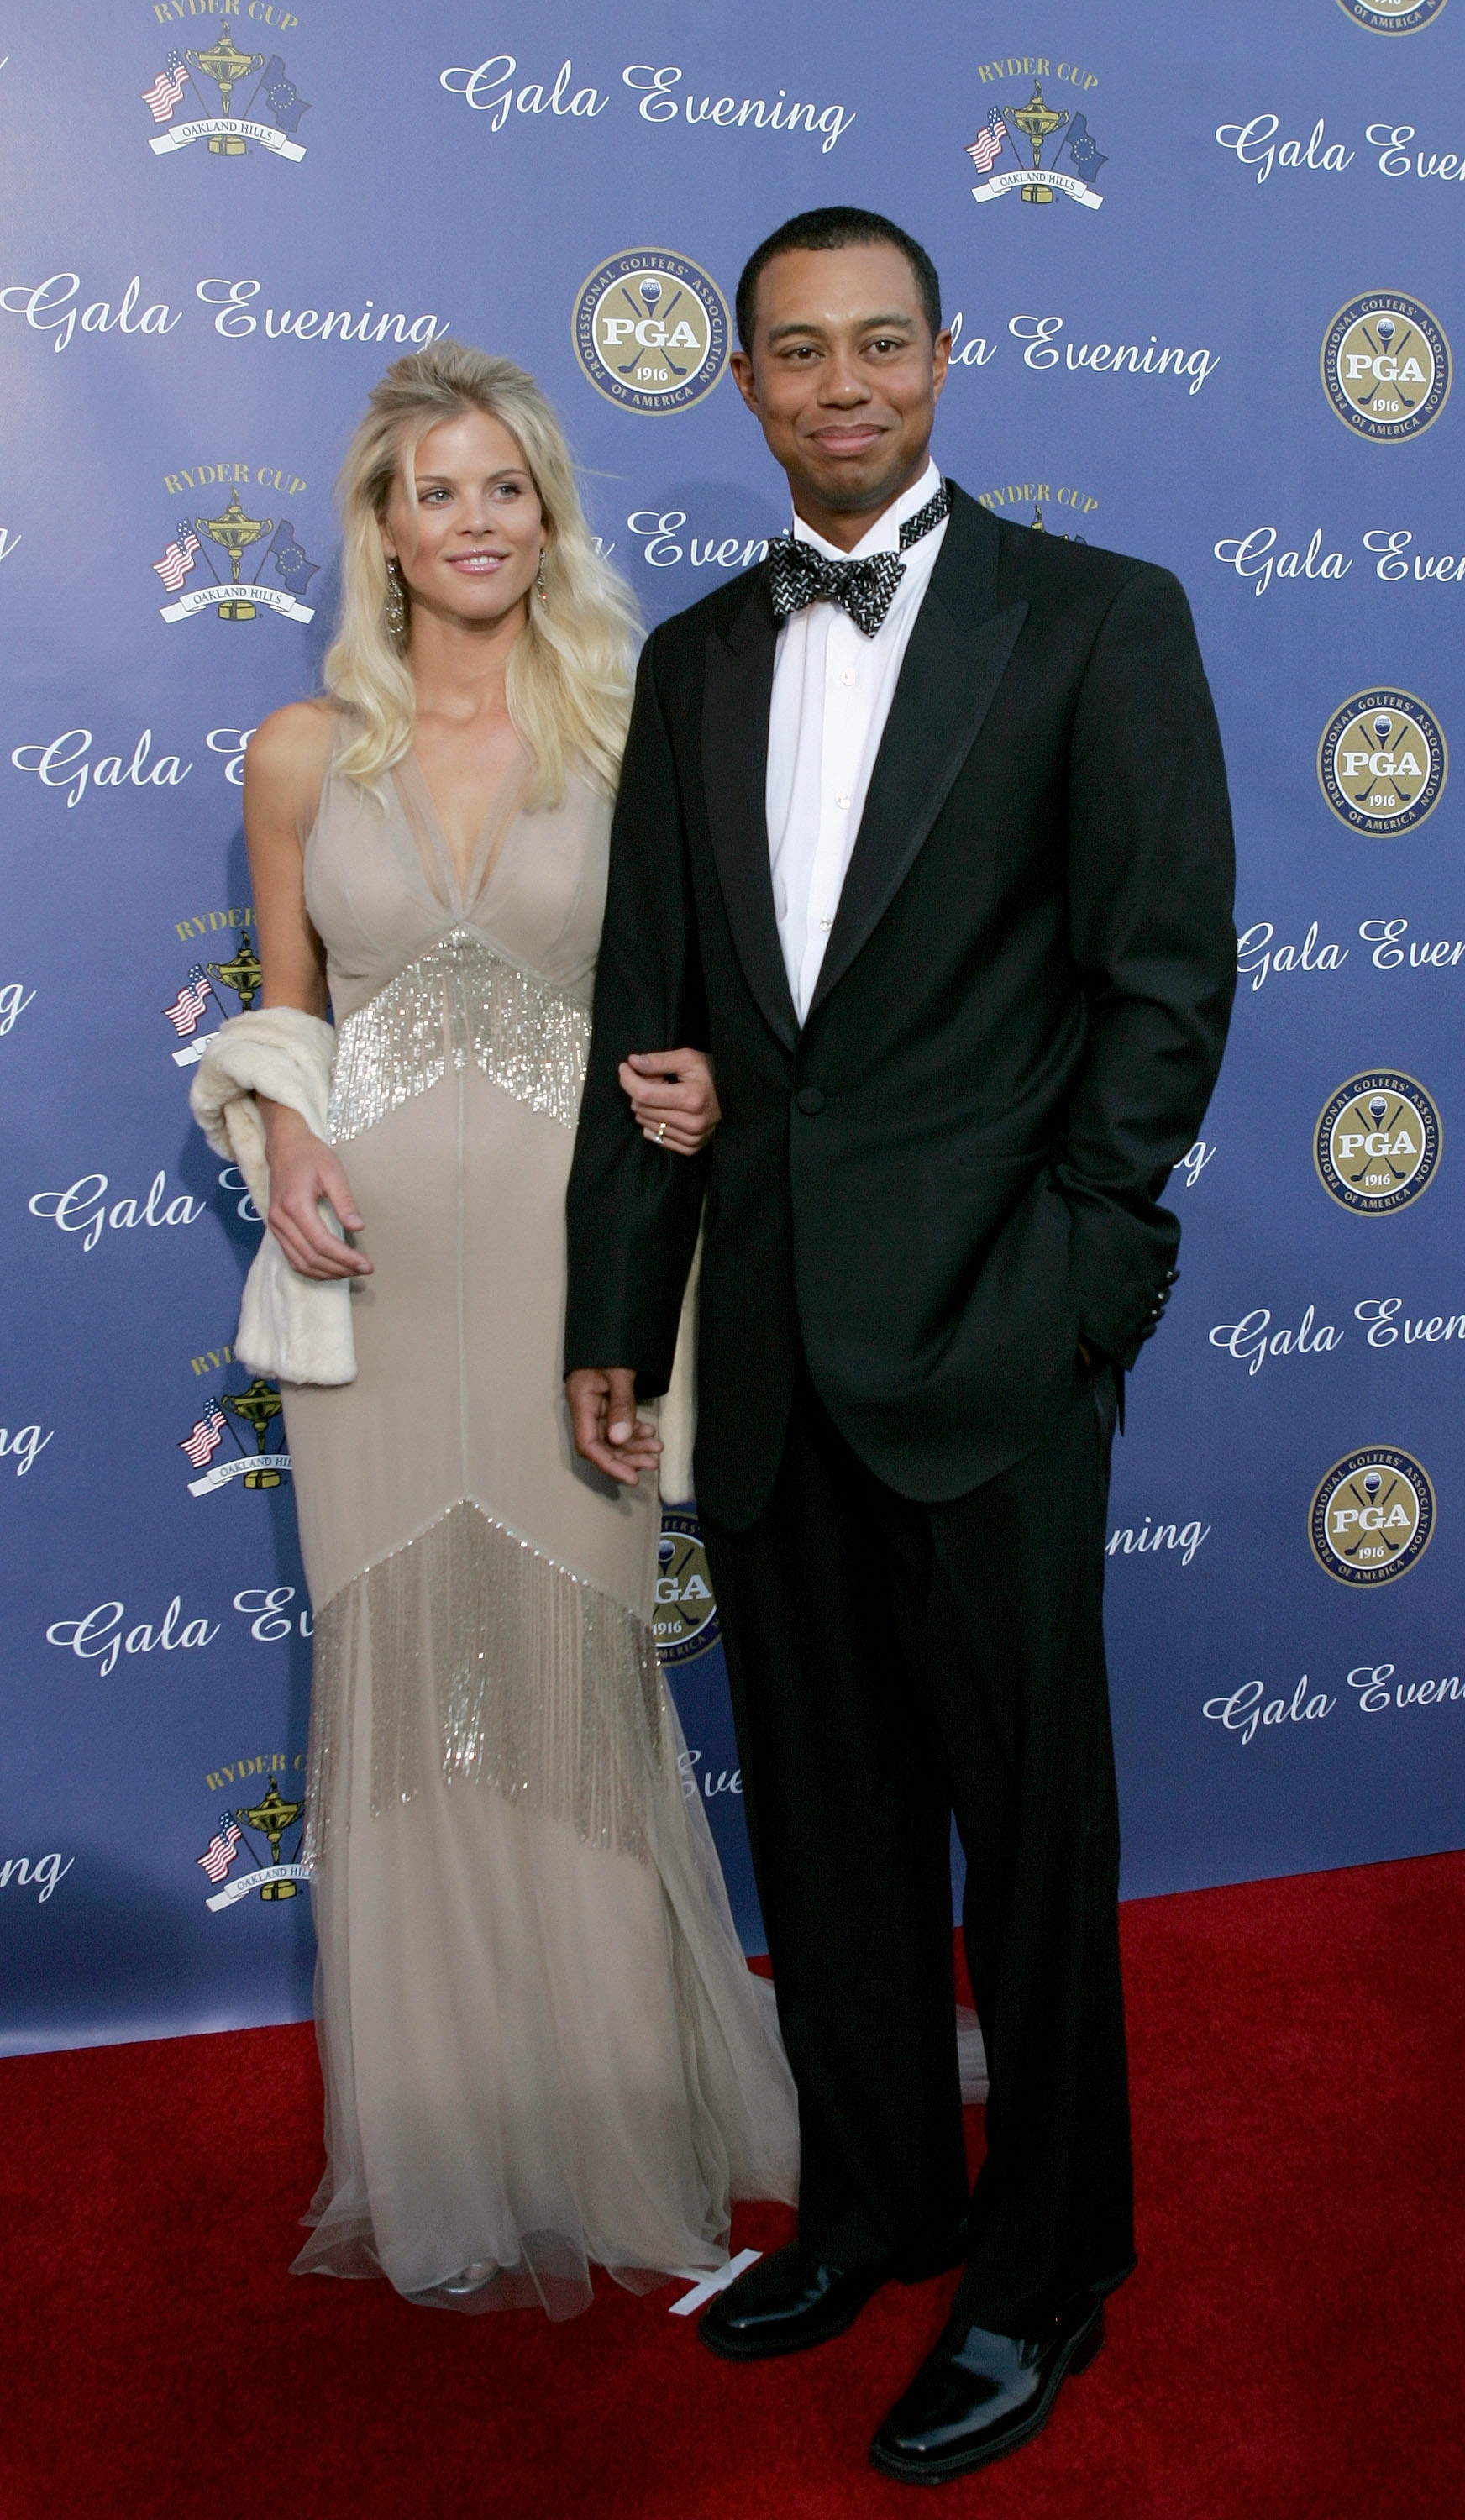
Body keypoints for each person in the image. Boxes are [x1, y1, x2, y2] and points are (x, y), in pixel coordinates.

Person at [564, 208, 1236, 2477]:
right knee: (832, 1837)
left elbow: (1165, 986)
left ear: (945, 356)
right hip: (763, 1346)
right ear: (739, 383)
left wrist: (1083, 1272)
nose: (843, 385)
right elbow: (644, 1008)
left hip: (997, 1345)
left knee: (1030, 1855)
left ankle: (1048, 2278)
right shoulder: (688, 661)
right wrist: (612, 1303)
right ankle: (876, 2205)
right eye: (797, 354)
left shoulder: (1099, 622)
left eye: (882, 344)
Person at [202, 342, 797, 2318]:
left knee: (565, 1672)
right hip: (375, 1281)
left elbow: (715, 988)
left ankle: (620, 2122)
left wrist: (711, 1087)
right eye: (430, 491)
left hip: (584, 1273)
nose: (470, 521)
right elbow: (287, 1000)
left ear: (548, 520)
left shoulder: (639, 723)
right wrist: (283, 1118)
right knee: (400, 1689)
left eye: (504, 489)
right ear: (380, 528)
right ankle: (447, 2147)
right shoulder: (302, 752)